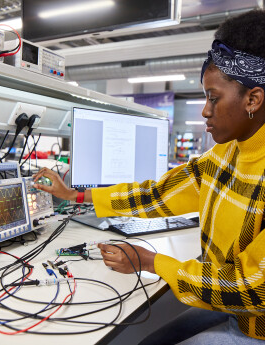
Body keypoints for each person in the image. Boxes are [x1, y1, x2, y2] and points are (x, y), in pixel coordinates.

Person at [33, 9, 265, 344]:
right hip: (235, 309)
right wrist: (75, 196)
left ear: (253, 99)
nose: (204, 110)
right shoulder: (223, 156)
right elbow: (156, 194)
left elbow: (253, 287)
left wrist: (151, 261)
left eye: (213, 98)